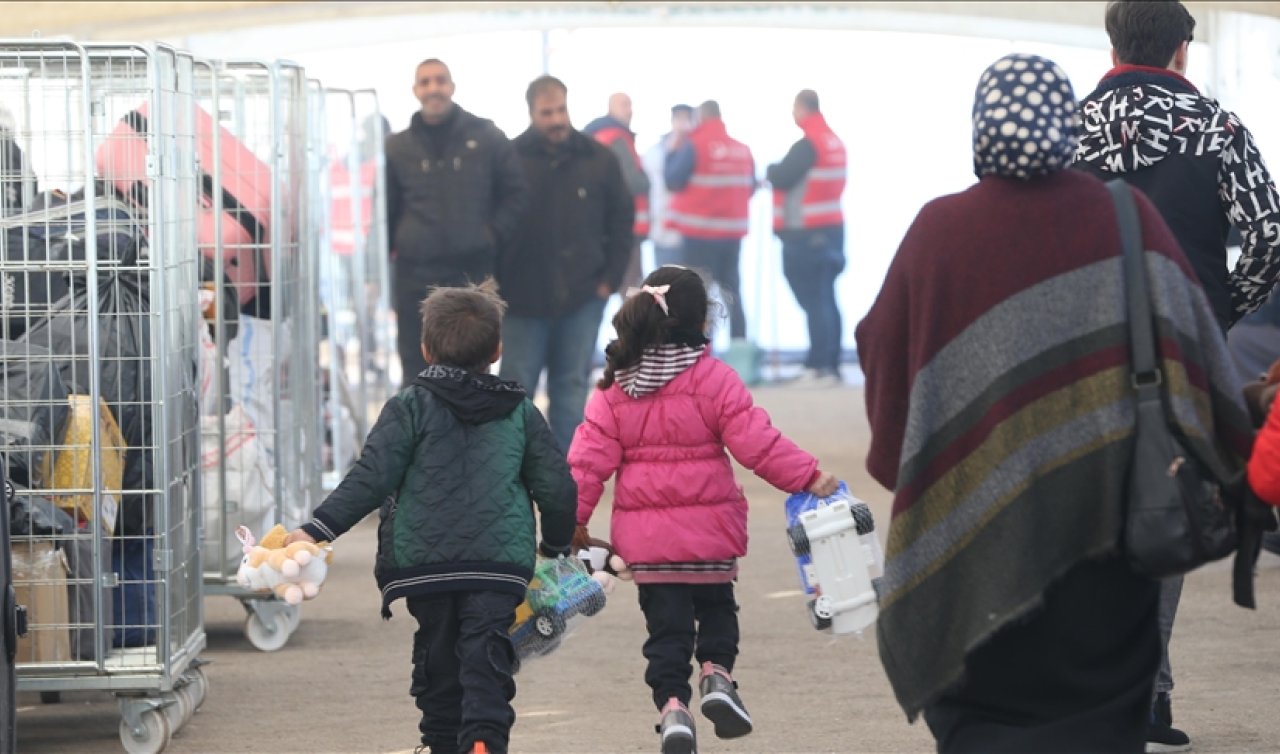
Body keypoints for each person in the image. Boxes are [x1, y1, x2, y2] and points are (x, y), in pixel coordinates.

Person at [856, 53, 1251, 753]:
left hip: (973, 548)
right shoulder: (1127, 218)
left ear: (982, 128)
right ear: (1063, 126)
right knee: (1102, 726)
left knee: (982, 727)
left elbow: (882, 349)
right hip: (1108, 532)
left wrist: (917, 450)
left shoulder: (937, 231)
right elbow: (1196, 343)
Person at [1073, 3, 1280, 747]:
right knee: (1170, 503)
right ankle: (1149, 691)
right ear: (1183, 53)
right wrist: (1216, 311)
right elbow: (1267, 234)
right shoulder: (1218, 130)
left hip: (1084, 344)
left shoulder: (1068, 128)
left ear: (1112, 43)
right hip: (1183, 347)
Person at [286, 280, 576, 754]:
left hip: (425, 565)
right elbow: (558, 487)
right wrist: (557, 546)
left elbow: (371, 478)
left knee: (439, 662)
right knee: (486, 657)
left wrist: (318, 529)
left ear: (424, 349)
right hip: (498, 566)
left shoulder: (408, 408)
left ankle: (442, 743)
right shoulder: (520, 413)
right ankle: (483, 740)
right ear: (498, 350)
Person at [567, 265, 840, 754]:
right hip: (709, 536)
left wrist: (572, 523)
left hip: (648, 548)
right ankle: (717, 676)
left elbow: (587, 465)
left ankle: (673, 708)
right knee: (717, 614)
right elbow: (758, 444)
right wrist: (808, 477)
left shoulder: (613, 386)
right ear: (702, 321)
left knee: (666, 634)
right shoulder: (714, 378)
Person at [497, 75, 634, 453]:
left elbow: (623, 221)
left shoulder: (599, 159)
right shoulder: (508, 161)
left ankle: (565, 475)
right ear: (531, 113)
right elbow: (492, 226)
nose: (557, 119)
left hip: (583, 296)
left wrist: (610, 280)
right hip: (521, 299)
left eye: (561, 109)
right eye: (547, 113)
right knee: (514, 389)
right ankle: (512, 468)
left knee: (571, 388)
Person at [385, 58, 527, 382]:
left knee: (475, 364)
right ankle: (421, 431)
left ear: (452, 86)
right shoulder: (397, 147)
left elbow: (516, 193)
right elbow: (386, 212)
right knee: (416, 367)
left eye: (440, 80)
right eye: (426, 82)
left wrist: (489, 234)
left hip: (472, 273)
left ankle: (474, 432)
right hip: (415, 276)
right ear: (415, 90)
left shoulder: (487, 136)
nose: (434, 88)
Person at [766, 89, 847, 388]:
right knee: (826, 297)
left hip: (806, 232)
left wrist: (771, 170)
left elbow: (782, 176)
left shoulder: (807, 145)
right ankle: (830, 363)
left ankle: (819, 365)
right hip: (832, 230)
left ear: (800, 108)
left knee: (815, 299)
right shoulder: (832, 141)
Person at [665, 100, 756, 342]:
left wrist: (673, 149)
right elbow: (751, 186)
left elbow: (672, 179)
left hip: (699, 234)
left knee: (697, 298)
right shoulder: (742, 149)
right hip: (731, 235)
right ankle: (740, 351)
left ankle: (699, 355)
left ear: (700, 118)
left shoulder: (694, 146)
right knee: (732, 293)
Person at [583, 92, 651, 292]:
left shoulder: (597, 137)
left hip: (605, 228)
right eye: (624, 104)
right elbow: (632, 182)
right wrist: (646, 180)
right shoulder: (616, 138)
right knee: (633, 292)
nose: (630, 110)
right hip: (626, 228)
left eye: (630, 104)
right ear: (610, 108)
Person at [641, 104, 696, 269]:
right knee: (665, 284)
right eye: (679, 119)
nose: (683, 124)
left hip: (690, 234)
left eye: (687, 119)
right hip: (663, 230)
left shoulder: (696, 148)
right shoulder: (657, 150)